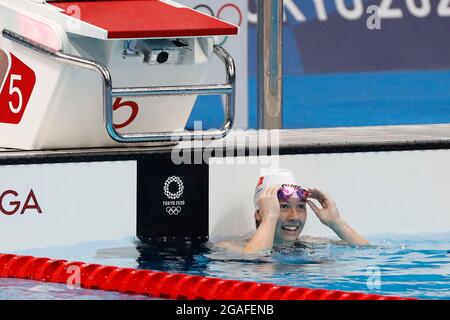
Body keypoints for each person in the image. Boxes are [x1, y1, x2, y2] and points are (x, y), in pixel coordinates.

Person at [219, 169, 370, 254]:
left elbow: (367, 253)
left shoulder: (310, 245)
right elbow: (257, 265)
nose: (295, 216)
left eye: (300, 207)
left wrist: (336, 223)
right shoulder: (229, 248)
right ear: (259, 214)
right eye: (283, 207)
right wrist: (270, 217)